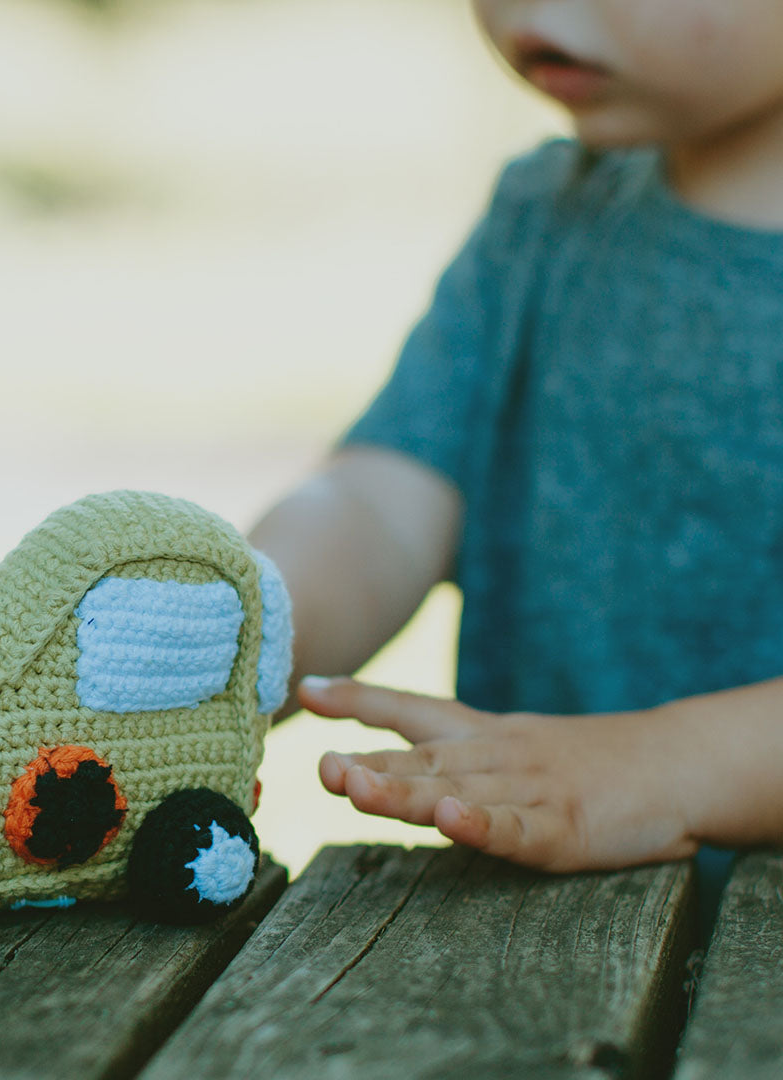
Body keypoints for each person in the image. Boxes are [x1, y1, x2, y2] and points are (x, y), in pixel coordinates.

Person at [247, 0, 783, 924]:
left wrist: (665, 765)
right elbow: (382, 502)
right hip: (536, 949)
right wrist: (231, 630)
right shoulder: (546, 217)